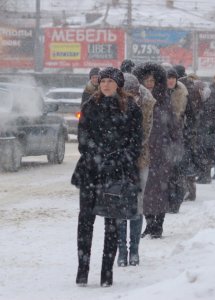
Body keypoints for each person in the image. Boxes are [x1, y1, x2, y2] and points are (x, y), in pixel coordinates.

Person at [71, 67, 143, 287]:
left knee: (111, 222)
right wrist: (95, 155)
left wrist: (119, 159)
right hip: (91, 170)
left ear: (118, 84)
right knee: (85, 220)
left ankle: (106, 273)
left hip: (116, 173)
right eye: (102, 81)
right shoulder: (90, 106)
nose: (105, 85)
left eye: (110, 81)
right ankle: (82, 270)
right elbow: (82, 138)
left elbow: (135, 142)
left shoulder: (131, 108)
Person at [133, 62, 177, 238]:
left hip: (162, 152)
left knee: (159, 190)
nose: (150, 83)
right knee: (145, 192)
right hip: (144, 152)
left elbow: (173, 126)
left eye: (152, 80)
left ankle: (158, 225)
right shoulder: (138, 101)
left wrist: (174, 149)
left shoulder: (164, 100)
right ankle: (149, 224)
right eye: (146, 80)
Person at [117, 73, 156, 266]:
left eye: (133, 94)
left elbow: (148, 133)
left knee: (137, 203)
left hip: (140, 159)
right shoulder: (114, 104)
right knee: (119, 206)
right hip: (119, 161)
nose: (130, 98)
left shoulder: (148, 104)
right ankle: (121, 251)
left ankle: (134, 250)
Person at [166, 68, 188, 213]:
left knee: (176, 171)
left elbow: (190, 115)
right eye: (168, 78)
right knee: (165, 173)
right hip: (163, 137)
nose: (171, 80)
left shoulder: (183, 93)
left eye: (173, 78)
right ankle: (167, 202)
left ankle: (175, 202)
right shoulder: (160, 93)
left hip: (178, 137)